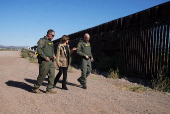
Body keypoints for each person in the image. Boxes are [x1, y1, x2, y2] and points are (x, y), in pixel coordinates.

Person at [33, 29, 57, 94]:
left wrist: (54, 55)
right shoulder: (42, 40)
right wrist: (45, 57)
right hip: (44, 61)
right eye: (52, 35)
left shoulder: (51, 42)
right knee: (42, 75)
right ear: (49, 34)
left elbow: (51, 50)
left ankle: (49, 89)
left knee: (52, 75)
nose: (53, 37)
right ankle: (36, 88)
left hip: (51, 61)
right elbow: (39, 50)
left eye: (54, 36)